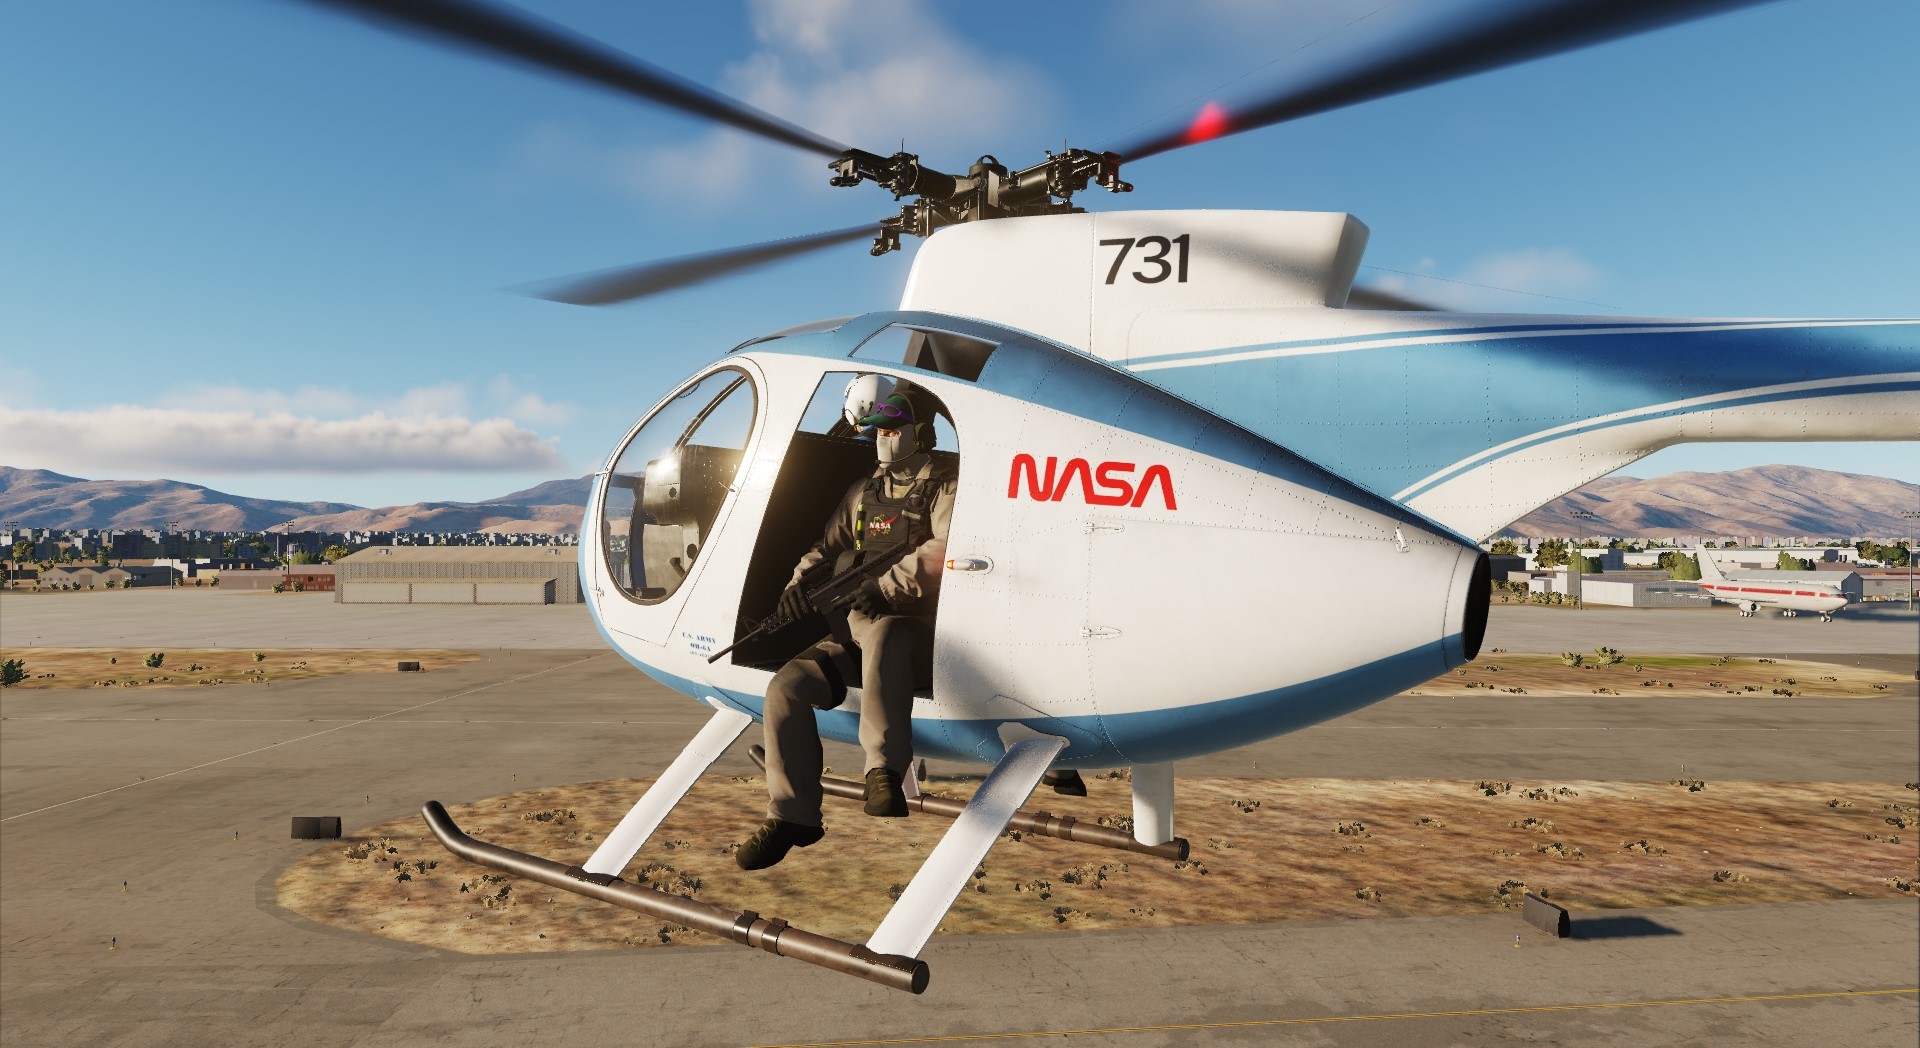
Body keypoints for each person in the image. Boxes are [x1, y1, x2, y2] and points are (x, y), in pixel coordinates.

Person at [735, 382, 956, 870]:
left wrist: (887, 588)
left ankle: (883, 772)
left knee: (888, 635)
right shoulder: (863, 492)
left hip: (925, 635)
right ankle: (793, 815)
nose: (882, 440)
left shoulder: (947, 487)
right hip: (858, 631)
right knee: (786, 688)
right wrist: (797, 586)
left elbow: (947, 548)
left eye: (892, 431)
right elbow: (826, 548)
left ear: (920, 434)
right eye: (877, 431)